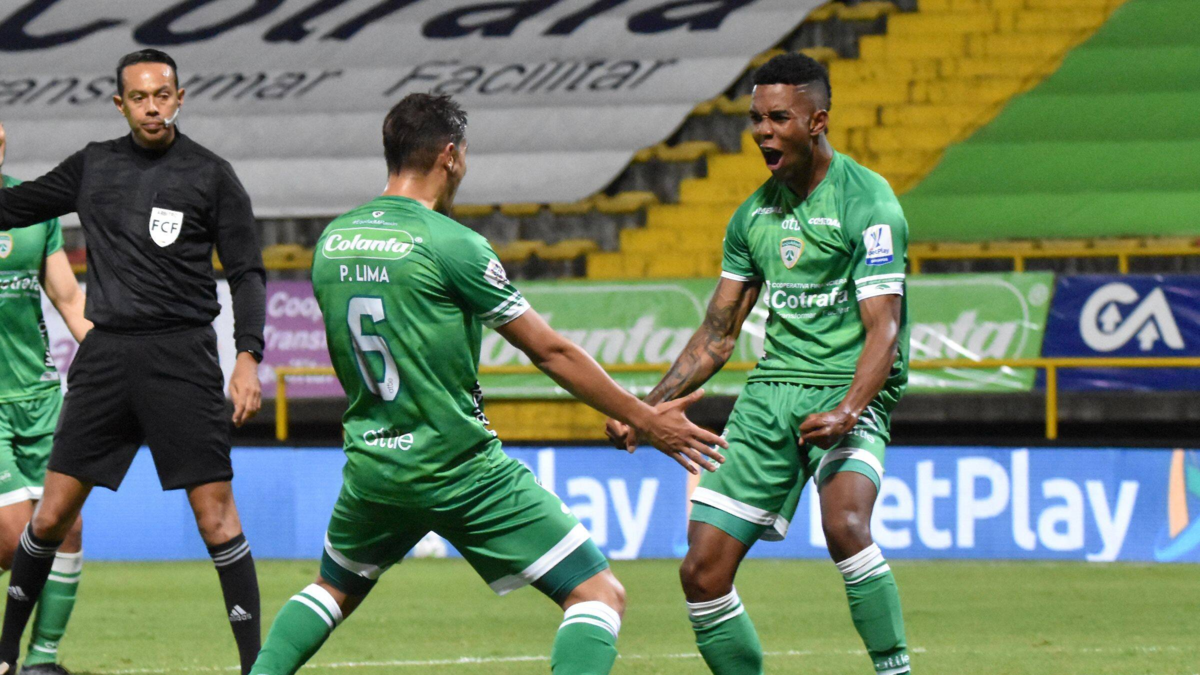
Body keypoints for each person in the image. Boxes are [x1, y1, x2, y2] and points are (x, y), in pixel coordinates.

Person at [249, 93, 728, 675]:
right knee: (598, 594)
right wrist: (645, 416)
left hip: (375, 463)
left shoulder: (333, 241)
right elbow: (549, 351)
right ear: (450, 155)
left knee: (332, 589)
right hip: (459, 465)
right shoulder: (452, 244)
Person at [607, 52, 914, 675]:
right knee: (701, 571)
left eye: (778, 118)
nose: (762, 132)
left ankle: (895, 670)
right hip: (771, 394)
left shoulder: (868, 201)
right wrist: (644, 410)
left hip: (846, 387)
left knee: (846, 526)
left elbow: (884, 328)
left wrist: (849, 410)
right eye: (755, 119)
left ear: (817, 121)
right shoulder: (752, 216)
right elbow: (717, 336)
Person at [0, 50, 266, 675]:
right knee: (52, 516)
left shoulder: (211, 174)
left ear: (179, 98)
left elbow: (248, 273)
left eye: (162, 95)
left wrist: (248, 356)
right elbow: (13, 207)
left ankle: (256, 665)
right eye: (140, 97)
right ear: (120, 104)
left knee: (216, 518)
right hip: (107, 357)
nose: (152, 107)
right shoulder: (93, 165)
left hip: (183, 357)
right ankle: (7, 654)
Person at [0, 120, 92, 675]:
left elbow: (69, 300)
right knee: (14, 539)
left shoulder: (34, 208)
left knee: (67, 526)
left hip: (38, 396)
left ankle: (40, 660)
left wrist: (114, 356)